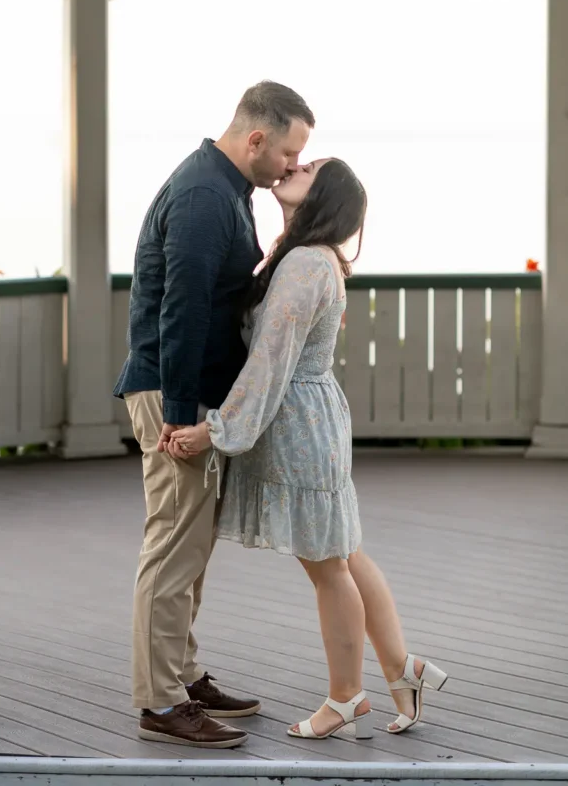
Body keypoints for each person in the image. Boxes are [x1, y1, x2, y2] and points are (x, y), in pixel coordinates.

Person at [170, 158, 449, 741]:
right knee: (342, 551)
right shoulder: (311, 257)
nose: (295, 164)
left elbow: (272, 361)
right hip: (310, 416)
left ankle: (347, 696)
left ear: (323, 196)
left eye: (311, 166)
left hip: (298, 422)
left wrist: (216, 431)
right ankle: (402, 667)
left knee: (328, 566)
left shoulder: (303, 263)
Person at [114, 80, 315, 748]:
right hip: (177, 396)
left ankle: (183, 673)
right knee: (173, 544)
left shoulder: (227, 189)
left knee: (189, 543)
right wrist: (178, 413)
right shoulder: (206, 195)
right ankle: (161, 701)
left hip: (194, 394)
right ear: (255, 137)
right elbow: (183, 307)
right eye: (288, 152)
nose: (290, 165)